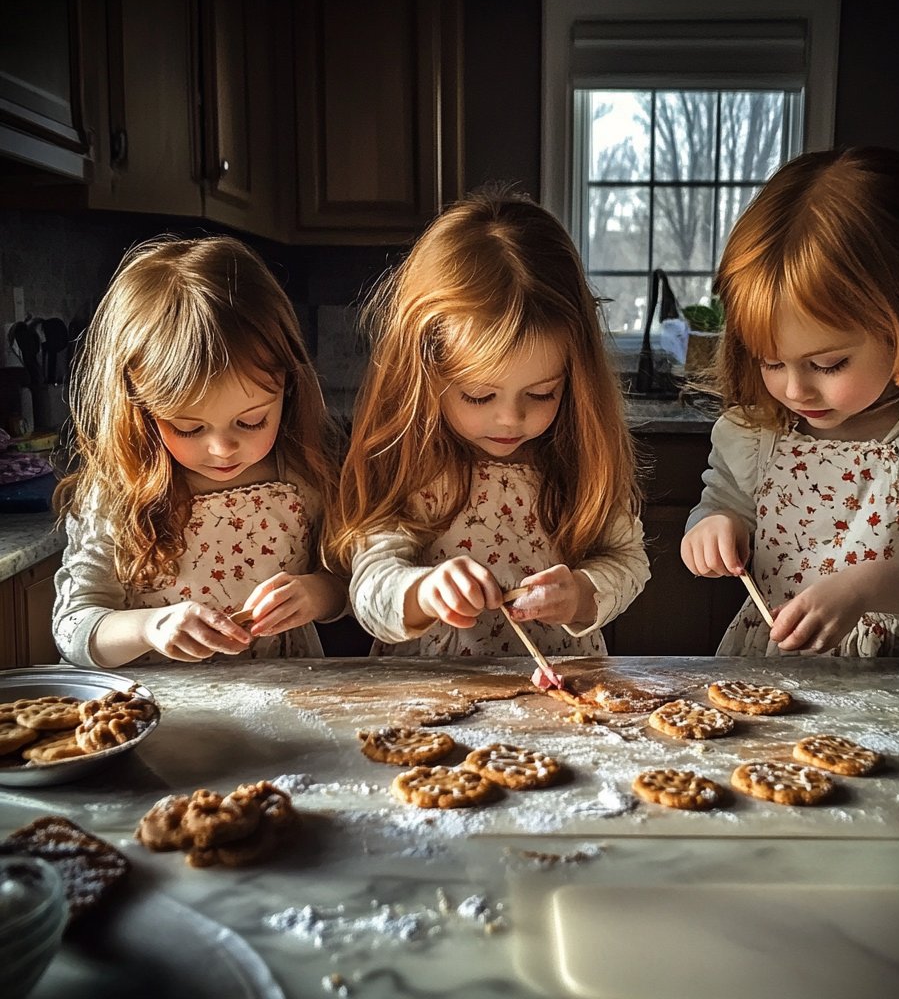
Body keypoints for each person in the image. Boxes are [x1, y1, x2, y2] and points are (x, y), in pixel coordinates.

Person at [680, 146, 899, 658]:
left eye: (828, 364)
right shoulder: (754, 433)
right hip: (776, 667)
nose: (795, 390)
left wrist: (868, 587)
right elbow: (722, 504)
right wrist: (712, 528)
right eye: (771, 362)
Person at [331, 189, 650, 658]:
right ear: (427, 373)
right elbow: (369, 588)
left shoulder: (578, 460)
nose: (510, 418)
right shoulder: (413, 464)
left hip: (559, 696)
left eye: (542, 393)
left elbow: (629, 562)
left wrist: (582, 592)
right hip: (432, 690)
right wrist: (423, 592)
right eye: (478, 394)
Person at [52, 236, 347, 667]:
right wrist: (148, 628)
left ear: (289, 385)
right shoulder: (118, 494)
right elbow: (74, 626)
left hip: (286, 699)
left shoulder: (305, 474)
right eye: (188, 427)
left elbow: (350, 584)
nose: (222, 447)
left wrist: (317, 595)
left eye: (251, 422)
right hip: (155, 710)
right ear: (139, 409)